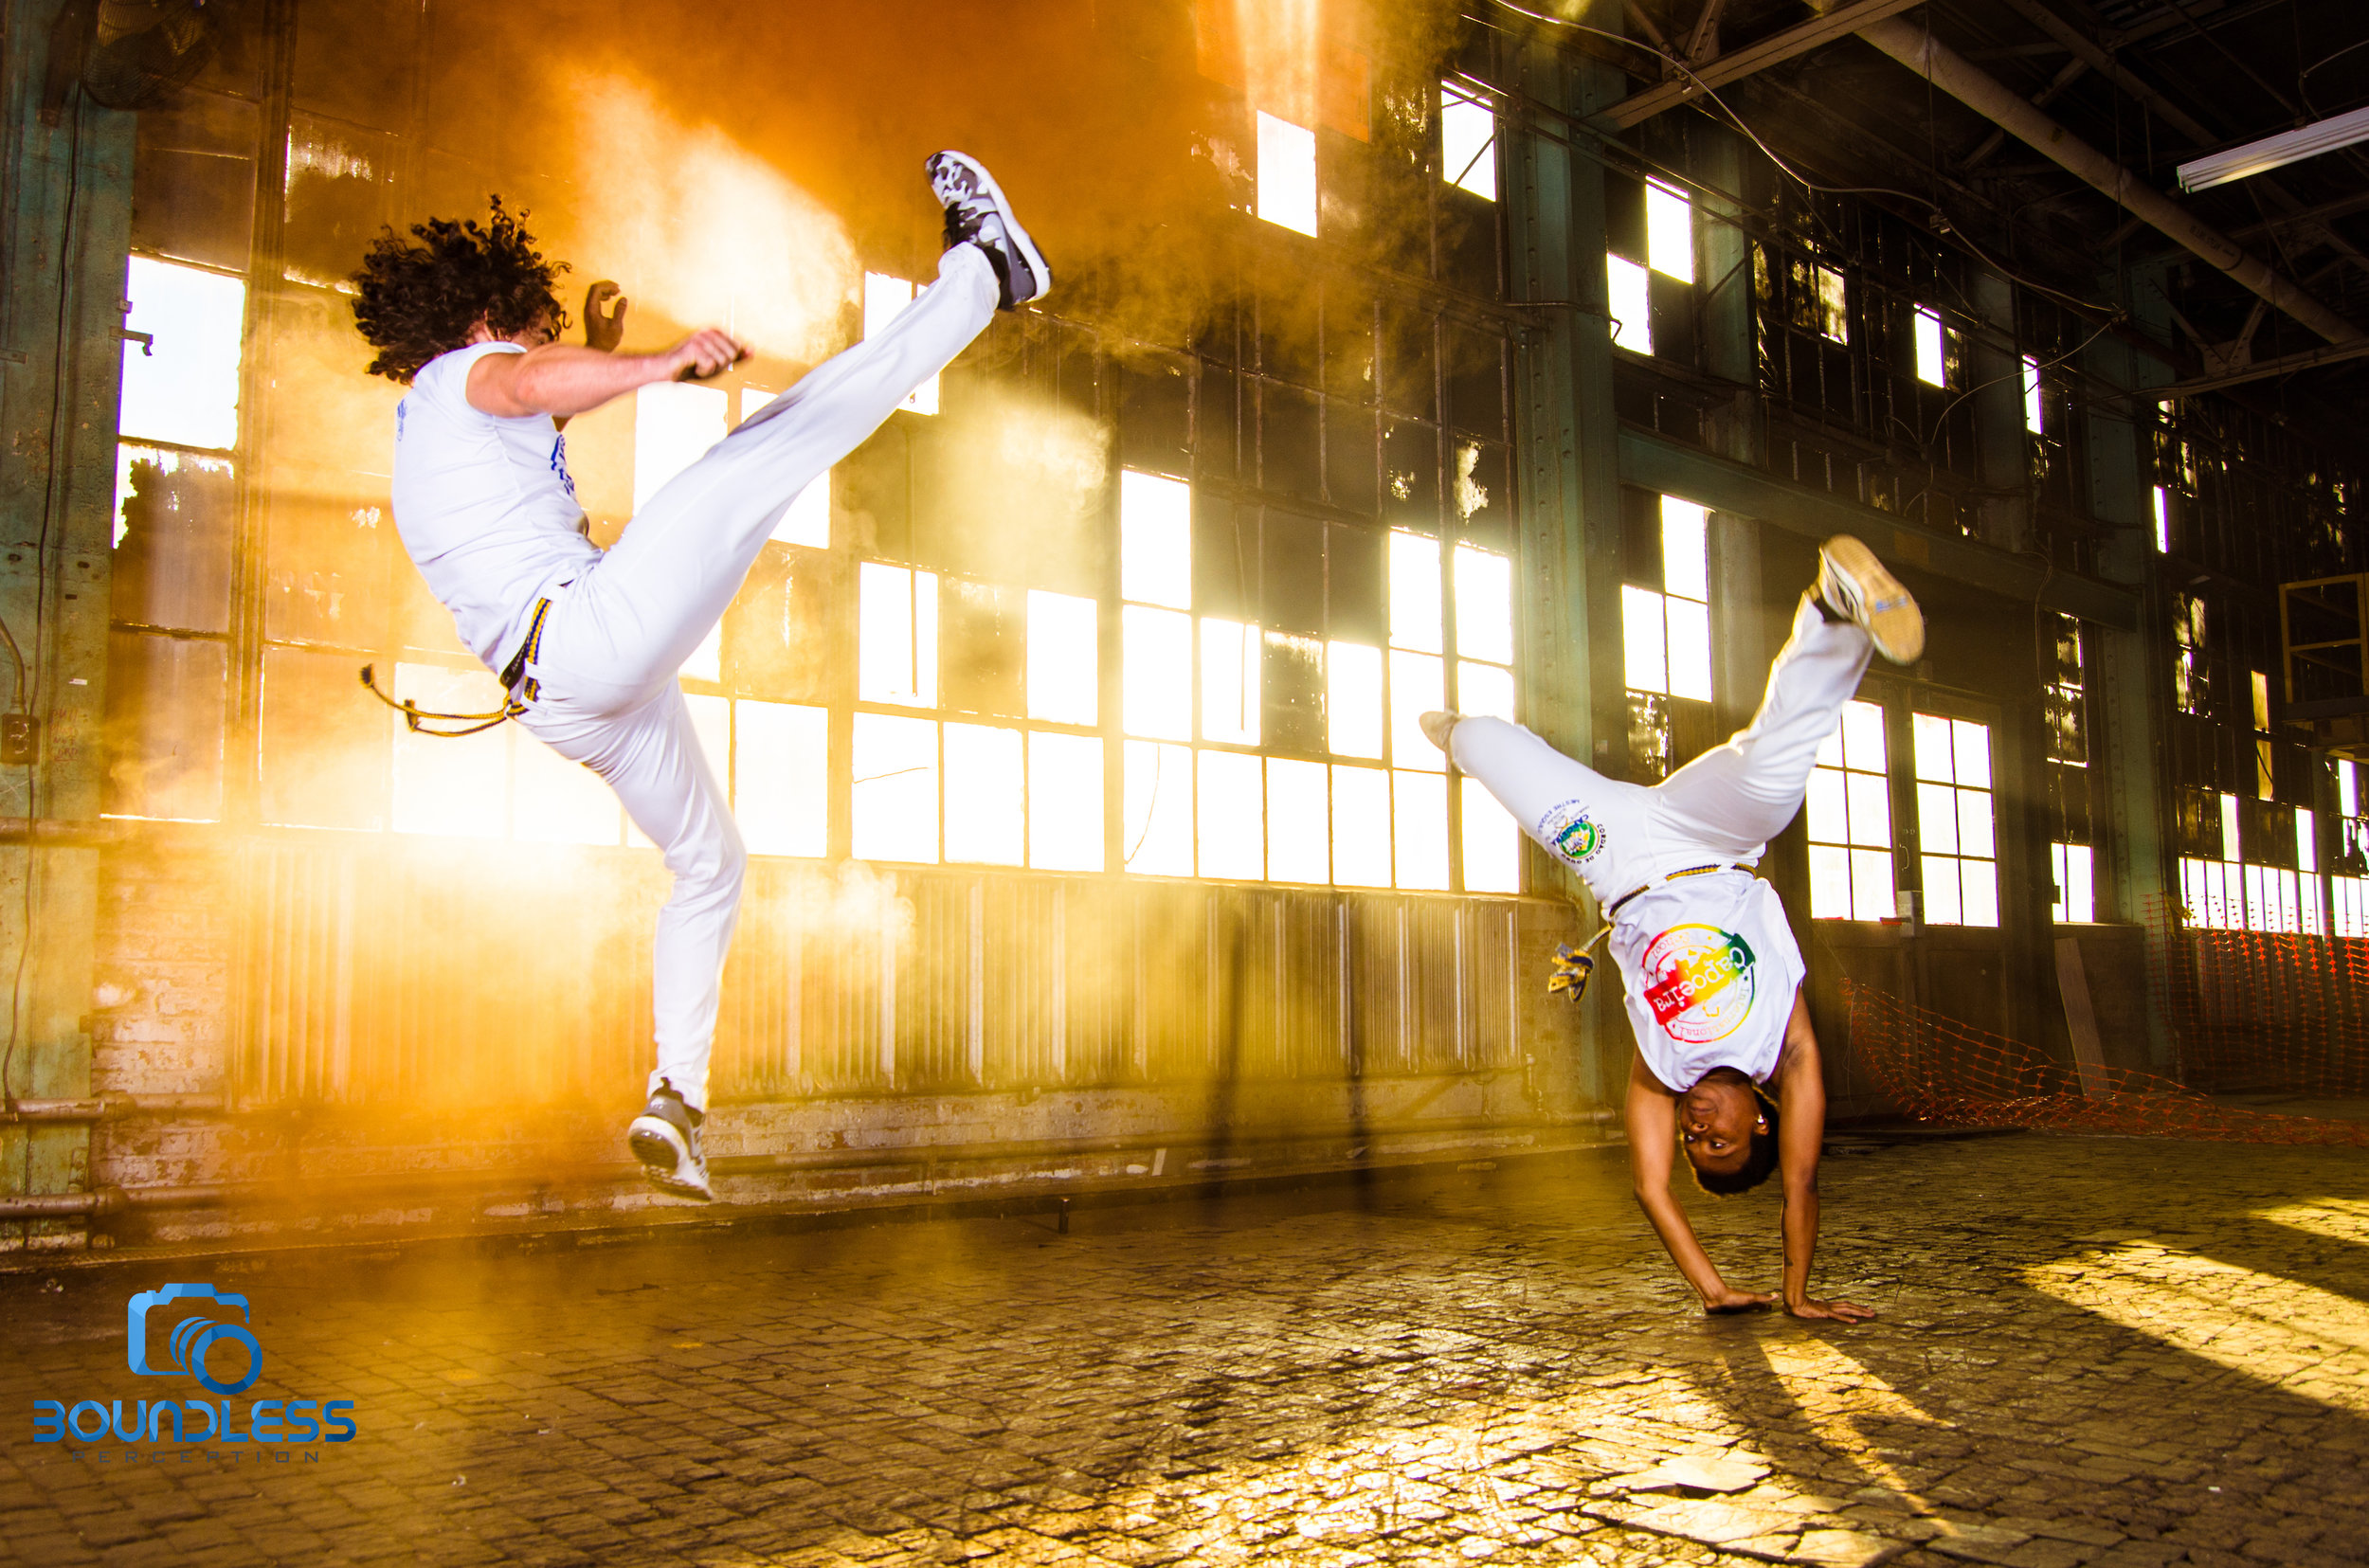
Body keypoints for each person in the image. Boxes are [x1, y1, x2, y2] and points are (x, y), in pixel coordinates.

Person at [351, 153, 1050, 1200]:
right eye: (531, 322)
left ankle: (674, 1101)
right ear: (480, 320)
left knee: (712, 862)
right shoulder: (464, 376)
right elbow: (531, 381)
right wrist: (657, 362)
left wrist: (602, 343)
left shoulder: (435, 426)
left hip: (573, 701)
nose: (544, 340)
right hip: (589, 633)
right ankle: (988, 270)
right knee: (775, 440)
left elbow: (541, 398)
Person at [1422, 536, 1921, 1322]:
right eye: (1718, 1142)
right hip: (1716, 840)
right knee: (1772, 764)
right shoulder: (1784, 1053)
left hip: (1617, 861)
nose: (1697, 1132)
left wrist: (1716, 1289)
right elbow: (1802, 1183)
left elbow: (1649, 1188)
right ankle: (1833, 606)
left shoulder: (1660, 1074)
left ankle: (1454, 735)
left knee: (1482, 740)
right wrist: (1797, 1293)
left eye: (1696, 1146)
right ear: (1760, 1121)